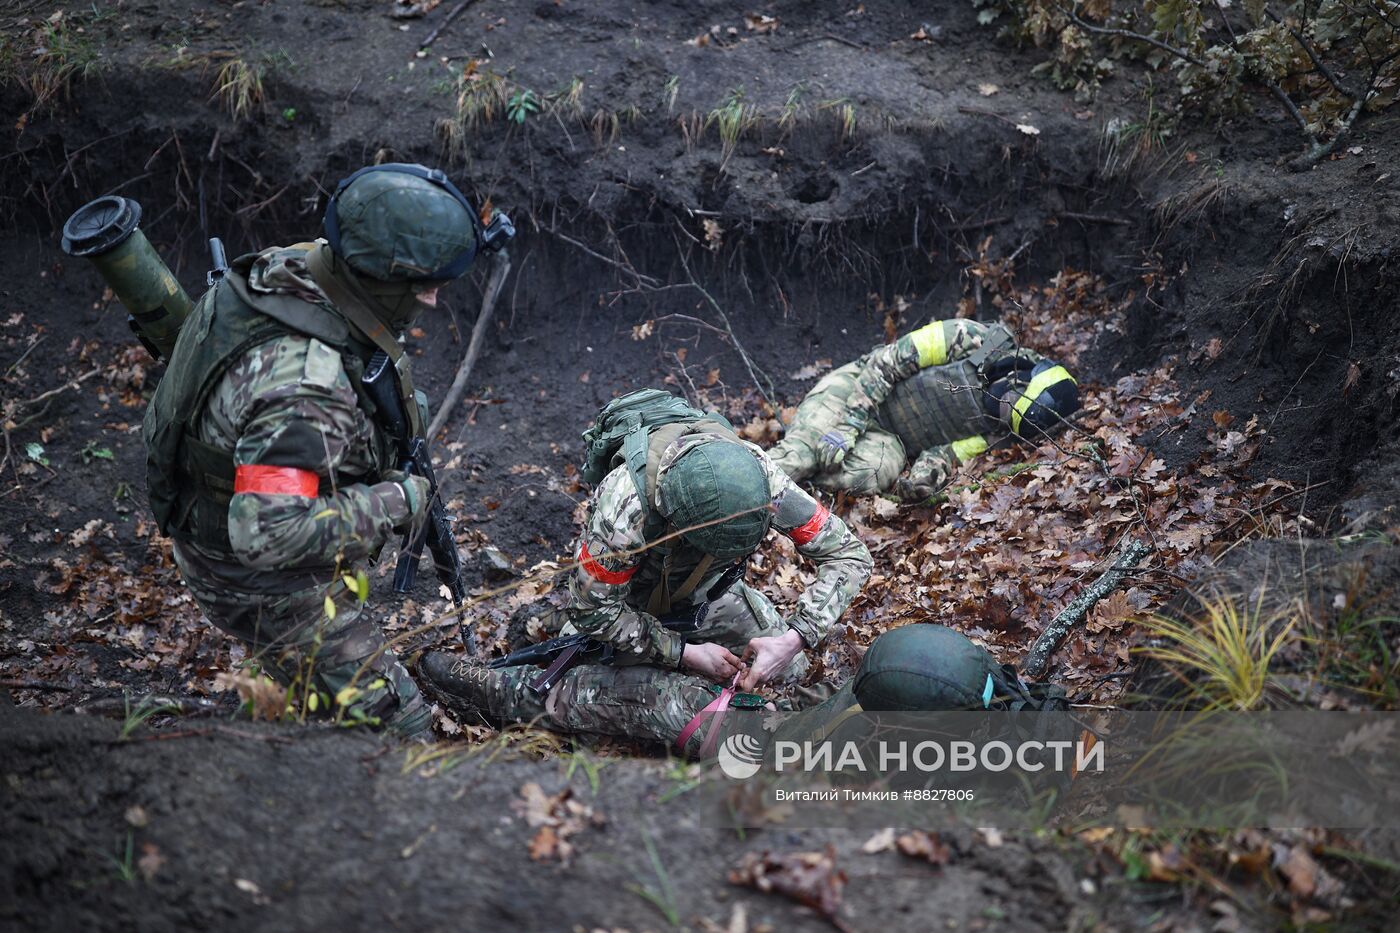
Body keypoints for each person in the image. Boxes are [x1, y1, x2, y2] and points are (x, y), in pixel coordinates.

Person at [141, 163, 495, 737]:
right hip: (251, 576)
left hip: (229, 507)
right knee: (398, 728)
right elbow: (268, 536)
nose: (432, 300)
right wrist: (397, 499)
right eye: (422, 285)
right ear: (381, 278)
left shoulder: (298, 269)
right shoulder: (305, 385)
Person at [418, 389, 873, 748]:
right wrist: (683, 654)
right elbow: (596, 611)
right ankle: (510, 688)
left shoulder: (760, 479)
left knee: (793, 675)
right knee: (635, 694)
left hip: (705, 594)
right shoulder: (626, 508)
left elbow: (849, 555)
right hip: (629, 601)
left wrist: (791, 639)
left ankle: (549, 631)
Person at [768, 319, 1079, 502]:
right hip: (854, 390)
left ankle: (798, 491)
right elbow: (885, 364)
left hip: (890, 438)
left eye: (1005, 418)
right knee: (800, 456)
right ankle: (740, 481)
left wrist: (923, 478)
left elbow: (947, 454)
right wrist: (848, 426)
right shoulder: (970, 337)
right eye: (1005, 403)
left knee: (868, 476)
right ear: (1019, 378)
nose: (998, 413)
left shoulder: (1004, 429)